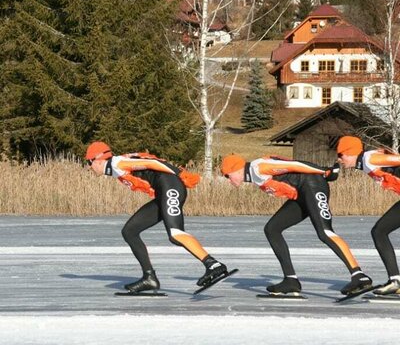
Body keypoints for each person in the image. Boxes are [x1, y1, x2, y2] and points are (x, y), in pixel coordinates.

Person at [85, 141, 229, 293]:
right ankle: (149, 278)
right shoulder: (115, 167)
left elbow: (152, 162)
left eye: (89, 162)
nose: (89, 166)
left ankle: (213, 265)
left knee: (175, 234)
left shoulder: (118, 163)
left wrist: (179, 173)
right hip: (164, 192)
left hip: (171, 187)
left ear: (98, 159)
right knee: (130, 231)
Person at [221, 154, 372, 296]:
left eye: (227, 175)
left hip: (313, 187)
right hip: (301, 195)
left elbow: (294, 164)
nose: (228, 180)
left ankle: (359, 276)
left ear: (236, 169)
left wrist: (324, 171)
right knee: (272, 229)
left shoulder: (258, 167)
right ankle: (290, 280)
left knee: (325, 233)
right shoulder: (254, 174)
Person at [337, 136, 400, 296]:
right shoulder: (366, 162)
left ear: (350, 153)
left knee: (379, 231)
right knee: (379, 231)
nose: (339, 160)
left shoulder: (369, 158)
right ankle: (395, 280)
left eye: (340, 155)